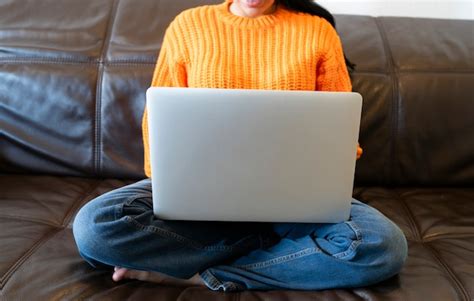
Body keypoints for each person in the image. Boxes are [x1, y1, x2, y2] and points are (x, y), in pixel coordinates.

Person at [73, 0, 408, 291]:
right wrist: (175, 185)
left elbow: (343, 136)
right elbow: (157, 126)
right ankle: (287, 253)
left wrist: (329, 164)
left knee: (382, 246)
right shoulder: (188, 25)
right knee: (94, 229)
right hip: (200, 199)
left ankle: (205, 274)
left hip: (298, 201)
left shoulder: (317, 31)